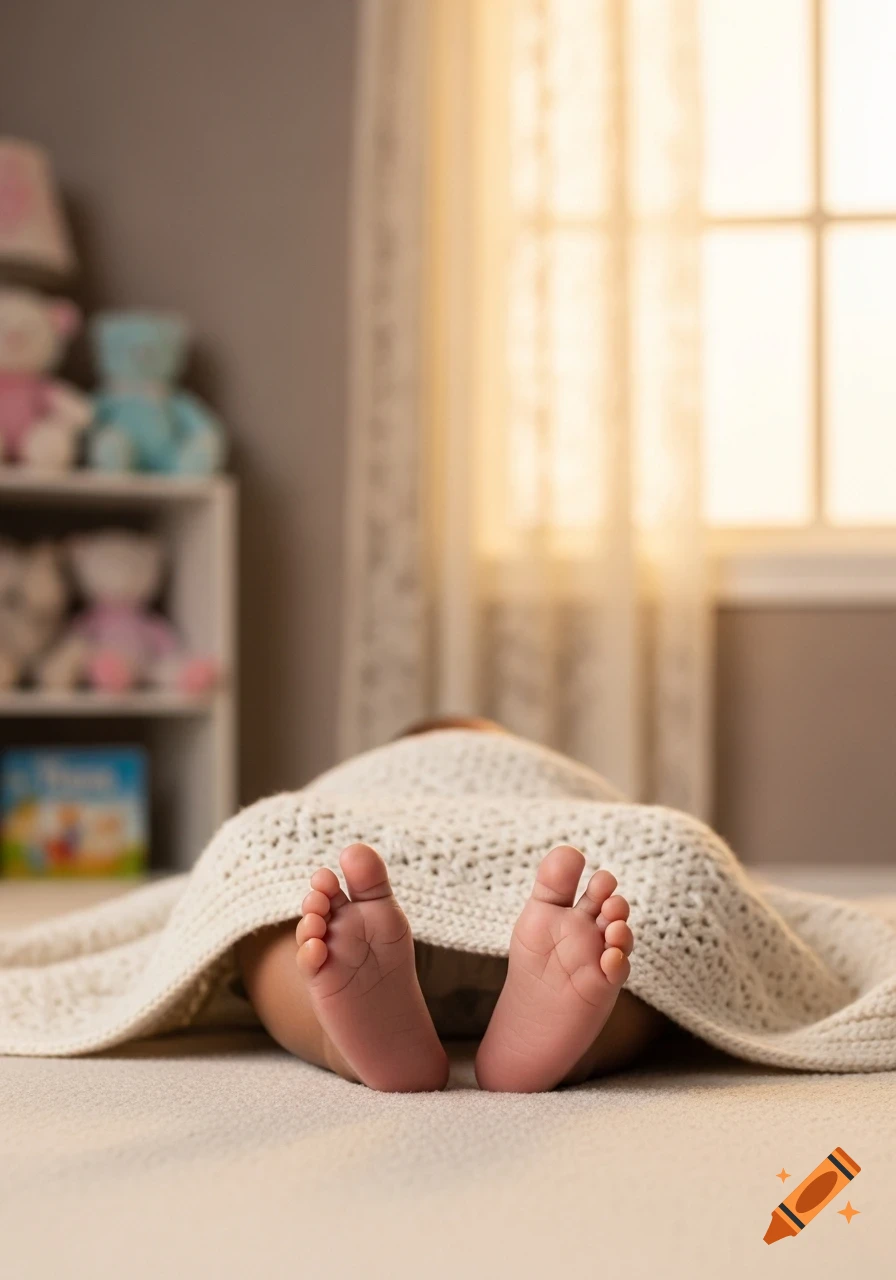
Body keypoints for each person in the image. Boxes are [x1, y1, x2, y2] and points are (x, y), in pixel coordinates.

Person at [237, 716, 667, 1093]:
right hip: (557, 934)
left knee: (269, 915)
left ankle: (338, 1046)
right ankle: (584, 1048)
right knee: (646, 927)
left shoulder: (535, 774)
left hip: (369, 939)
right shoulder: (376, 779)